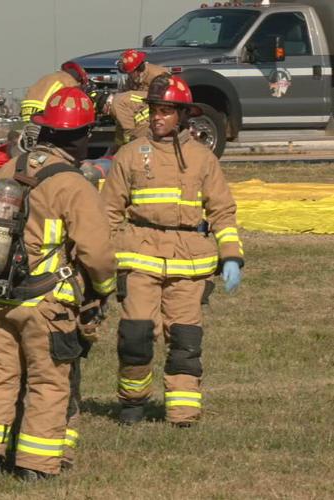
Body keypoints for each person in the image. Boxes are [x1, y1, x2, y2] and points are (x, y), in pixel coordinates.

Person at [0, 87, 117, 482]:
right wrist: (103, 289)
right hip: (47, 304)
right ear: (78, 137)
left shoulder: (11, 169)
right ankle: (35, 466)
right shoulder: (74, 185)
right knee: (49, 382)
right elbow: (96, 252)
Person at [101, 75, 243, 427]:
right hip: (139, 256)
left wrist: (231, 256)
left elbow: (222, 211)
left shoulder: (202, 158)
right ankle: (133, 403)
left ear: (181, 115)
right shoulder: (130, 155)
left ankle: (183, 413)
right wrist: (102, 260)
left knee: (184, 338)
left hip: (190, 261)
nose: (157, 117)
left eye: (165, 111)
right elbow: (108, 213)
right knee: (135, 336)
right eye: (154, 110)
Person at [19, 61, 90, 121]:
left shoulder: (49, 76)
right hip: (41, 110)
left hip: (26, 110)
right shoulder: (70, 81)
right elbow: (75, 102)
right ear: (79, 79)